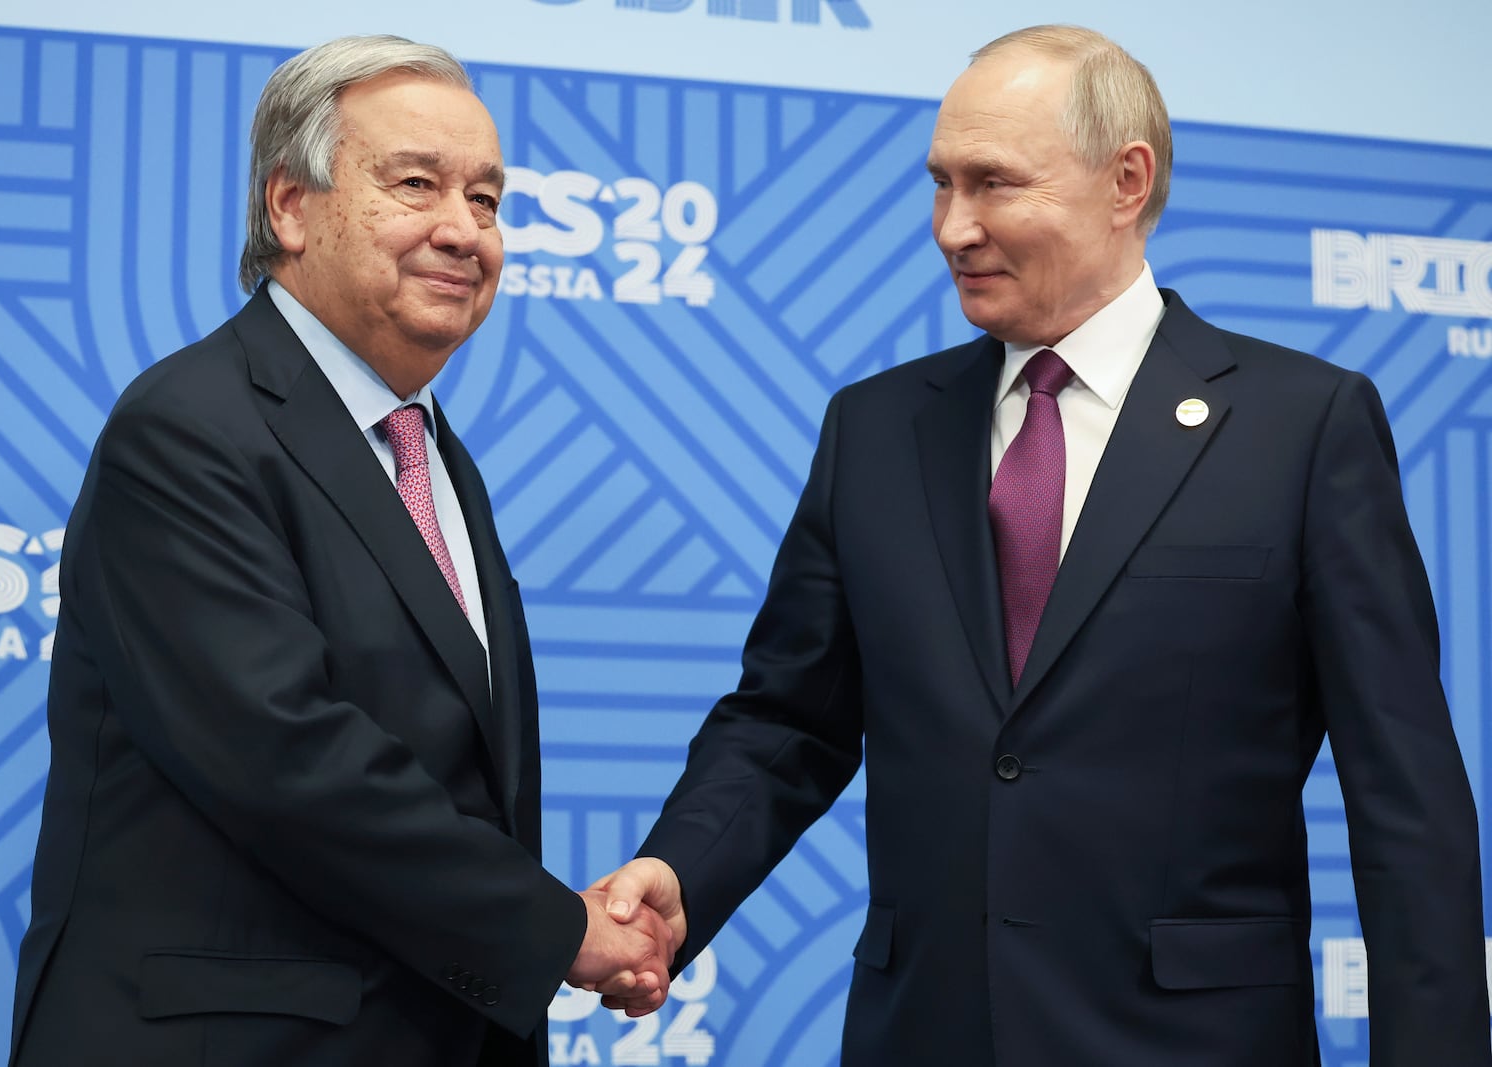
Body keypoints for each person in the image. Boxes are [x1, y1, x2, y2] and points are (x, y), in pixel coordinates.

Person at [593, 24, 1491, 1067]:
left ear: (1125, 181)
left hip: (1194, 1040)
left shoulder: (1304, 425)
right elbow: (791, 717)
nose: (951, 226)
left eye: (993, 184)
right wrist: (680, 872)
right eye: (939, 184)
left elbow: (1404, 791)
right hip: (922, 1033)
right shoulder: (875, 429)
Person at [9, 35, 670, 1067]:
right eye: (416, 185)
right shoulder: (188, 429)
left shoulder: (431, 453)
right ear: (289, 206)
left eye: (488, 200)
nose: (463, 230)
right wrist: (558, 928)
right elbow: (287, 756)